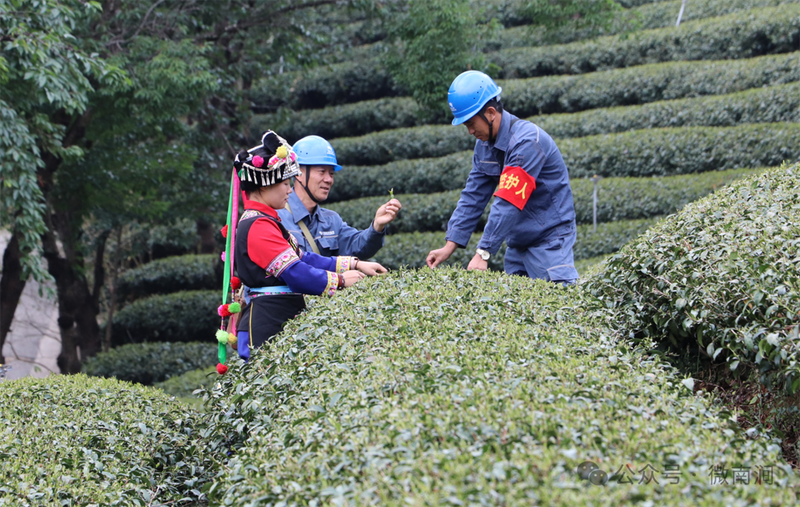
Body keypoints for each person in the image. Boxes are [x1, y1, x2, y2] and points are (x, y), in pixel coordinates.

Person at [233, 131, 387, 359]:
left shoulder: (267, 220)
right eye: (285, 183)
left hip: (279, 318)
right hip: (266, 323)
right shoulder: (258, 225)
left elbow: (303, 258)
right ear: (264, 186)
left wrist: (354, 264)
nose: (288, 189)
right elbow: (295, 272)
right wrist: (342, 281)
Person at [426, 70, 579, 284]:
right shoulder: (485, 145)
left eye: (471, 123)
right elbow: (473, 196)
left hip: (549, 240)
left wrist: (483, 253)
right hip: (517, 241)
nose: (470, 131)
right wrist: (449, 246)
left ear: (490, 113)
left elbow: (508, 201)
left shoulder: (527, 143)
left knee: (559, 304)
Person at [277, 135, 402, 258]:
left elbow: (358, 247)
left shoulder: (331, 220)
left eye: (331, 173)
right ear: (298, 173)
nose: (328, 179)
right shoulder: (276, 217)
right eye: (322, 171)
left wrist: (377, 226)